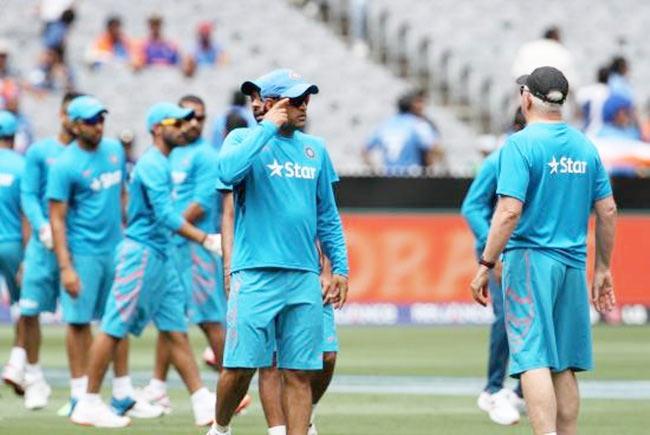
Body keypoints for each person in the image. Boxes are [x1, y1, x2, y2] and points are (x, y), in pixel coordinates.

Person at [469, 66, 617, 435]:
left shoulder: (520, 144)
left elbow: (509, 211)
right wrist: (602, 268)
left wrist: (486, 263)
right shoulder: (585, 145)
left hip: (530, 259)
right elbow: (608, 210)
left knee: (532, 357)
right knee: (563, 363)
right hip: (573, 263)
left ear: (526, 98)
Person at [208, 69, 349, 435]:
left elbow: (328, 216)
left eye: (306, 98)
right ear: (270, 104)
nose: (305, 106)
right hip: (255, 272)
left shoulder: (315, 149)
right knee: (239, 368)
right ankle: (220, 429)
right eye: (296, 100)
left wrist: (341, 268)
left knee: (301, 373)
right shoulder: (241, 138)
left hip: (303, 276)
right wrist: (267, 127)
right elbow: (227, 171)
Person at [70, 102, 222, 428]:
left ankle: (200, 400)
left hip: (161, 254)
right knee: (114, 325)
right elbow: (165, 215)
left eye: (186, 123)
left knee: (174, 328)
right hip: (142, 253)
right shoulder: (153, 164)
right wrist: (206, 239)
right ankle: (89, 401)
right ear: (157, 127)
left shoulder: (161, 162)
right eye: (176, 123)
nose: (183, 128)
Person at [139, 95, 248, 415]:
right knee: (169, 316)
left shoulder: (206, 156)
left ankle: (235, 388)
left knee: (209, 316)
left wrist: (172, 226)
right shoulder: (170, 154)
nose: (193, 123)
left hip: (194, 247)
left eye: (199, 117)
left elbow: (201, 203)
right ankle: (158, 387)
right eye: (186, 118)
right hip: (173, 242)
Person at [46, 96, 151, 419]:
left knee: (116, 318)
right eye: (91, 121)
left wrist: (127, 227)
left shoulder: (114, 151)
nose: (98, 126)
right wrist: (65, 267)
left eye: (101, 119)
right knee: (79, 323)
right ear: (75, 125)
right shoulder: (64, 165)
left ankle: (122, 393)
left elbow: (122, 193)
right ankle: (81, 395)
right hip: (82, 253)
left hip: (115, 248)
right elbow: (57, 219)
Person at [10, 92, 81, 410]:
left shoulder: (86, 154)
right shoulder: (40, 151)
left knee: (77, 317)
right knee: (28, 310)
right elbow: (28, 194)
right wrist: (41, 227)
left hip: (74, 244)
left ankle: (82, 390)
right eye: (70, 115)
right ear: (62, 116)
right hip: (42, 244)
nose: (74, 122)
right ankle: (35, 378)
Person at [462, 110, 526, 426]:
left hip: (530, 252)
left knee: (535, 322)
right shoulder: (499, 160)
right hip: (501, 254)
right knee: (507, 317)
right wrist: (493, 250)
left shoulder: (535, 156)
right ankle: (493, 388)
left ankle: (521, 390)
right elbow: (472, 206)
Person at [0, 110, 28, 400]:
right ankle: (16, 364)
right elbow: (26, 215)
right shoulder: (21, 165)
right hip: (11, 244)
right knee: (24, 307)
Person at [364, 90, 441, 174]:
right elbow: (434, 149)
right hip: (413, 178)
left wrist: (375, 172)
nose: (423, 106)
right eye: (419, 102)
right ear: (411, 105)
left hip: (388, 178)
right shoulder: (419, 125)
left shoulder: (385, 124)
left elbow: (365, 151)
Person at [511, 26, 577, 87]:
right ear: (557, 38)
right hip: (552, 92)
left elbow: (516, 73)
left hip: (527, 88)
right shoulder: (562, 50)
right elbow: (572, 81)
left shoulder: (527, 47)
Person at [576, 66, 610, 135]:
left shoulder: (586, 91)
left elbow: (578, 111)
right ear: (609, 78)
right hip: (605, 132)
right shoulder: (611, 92)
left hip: (587, 130)